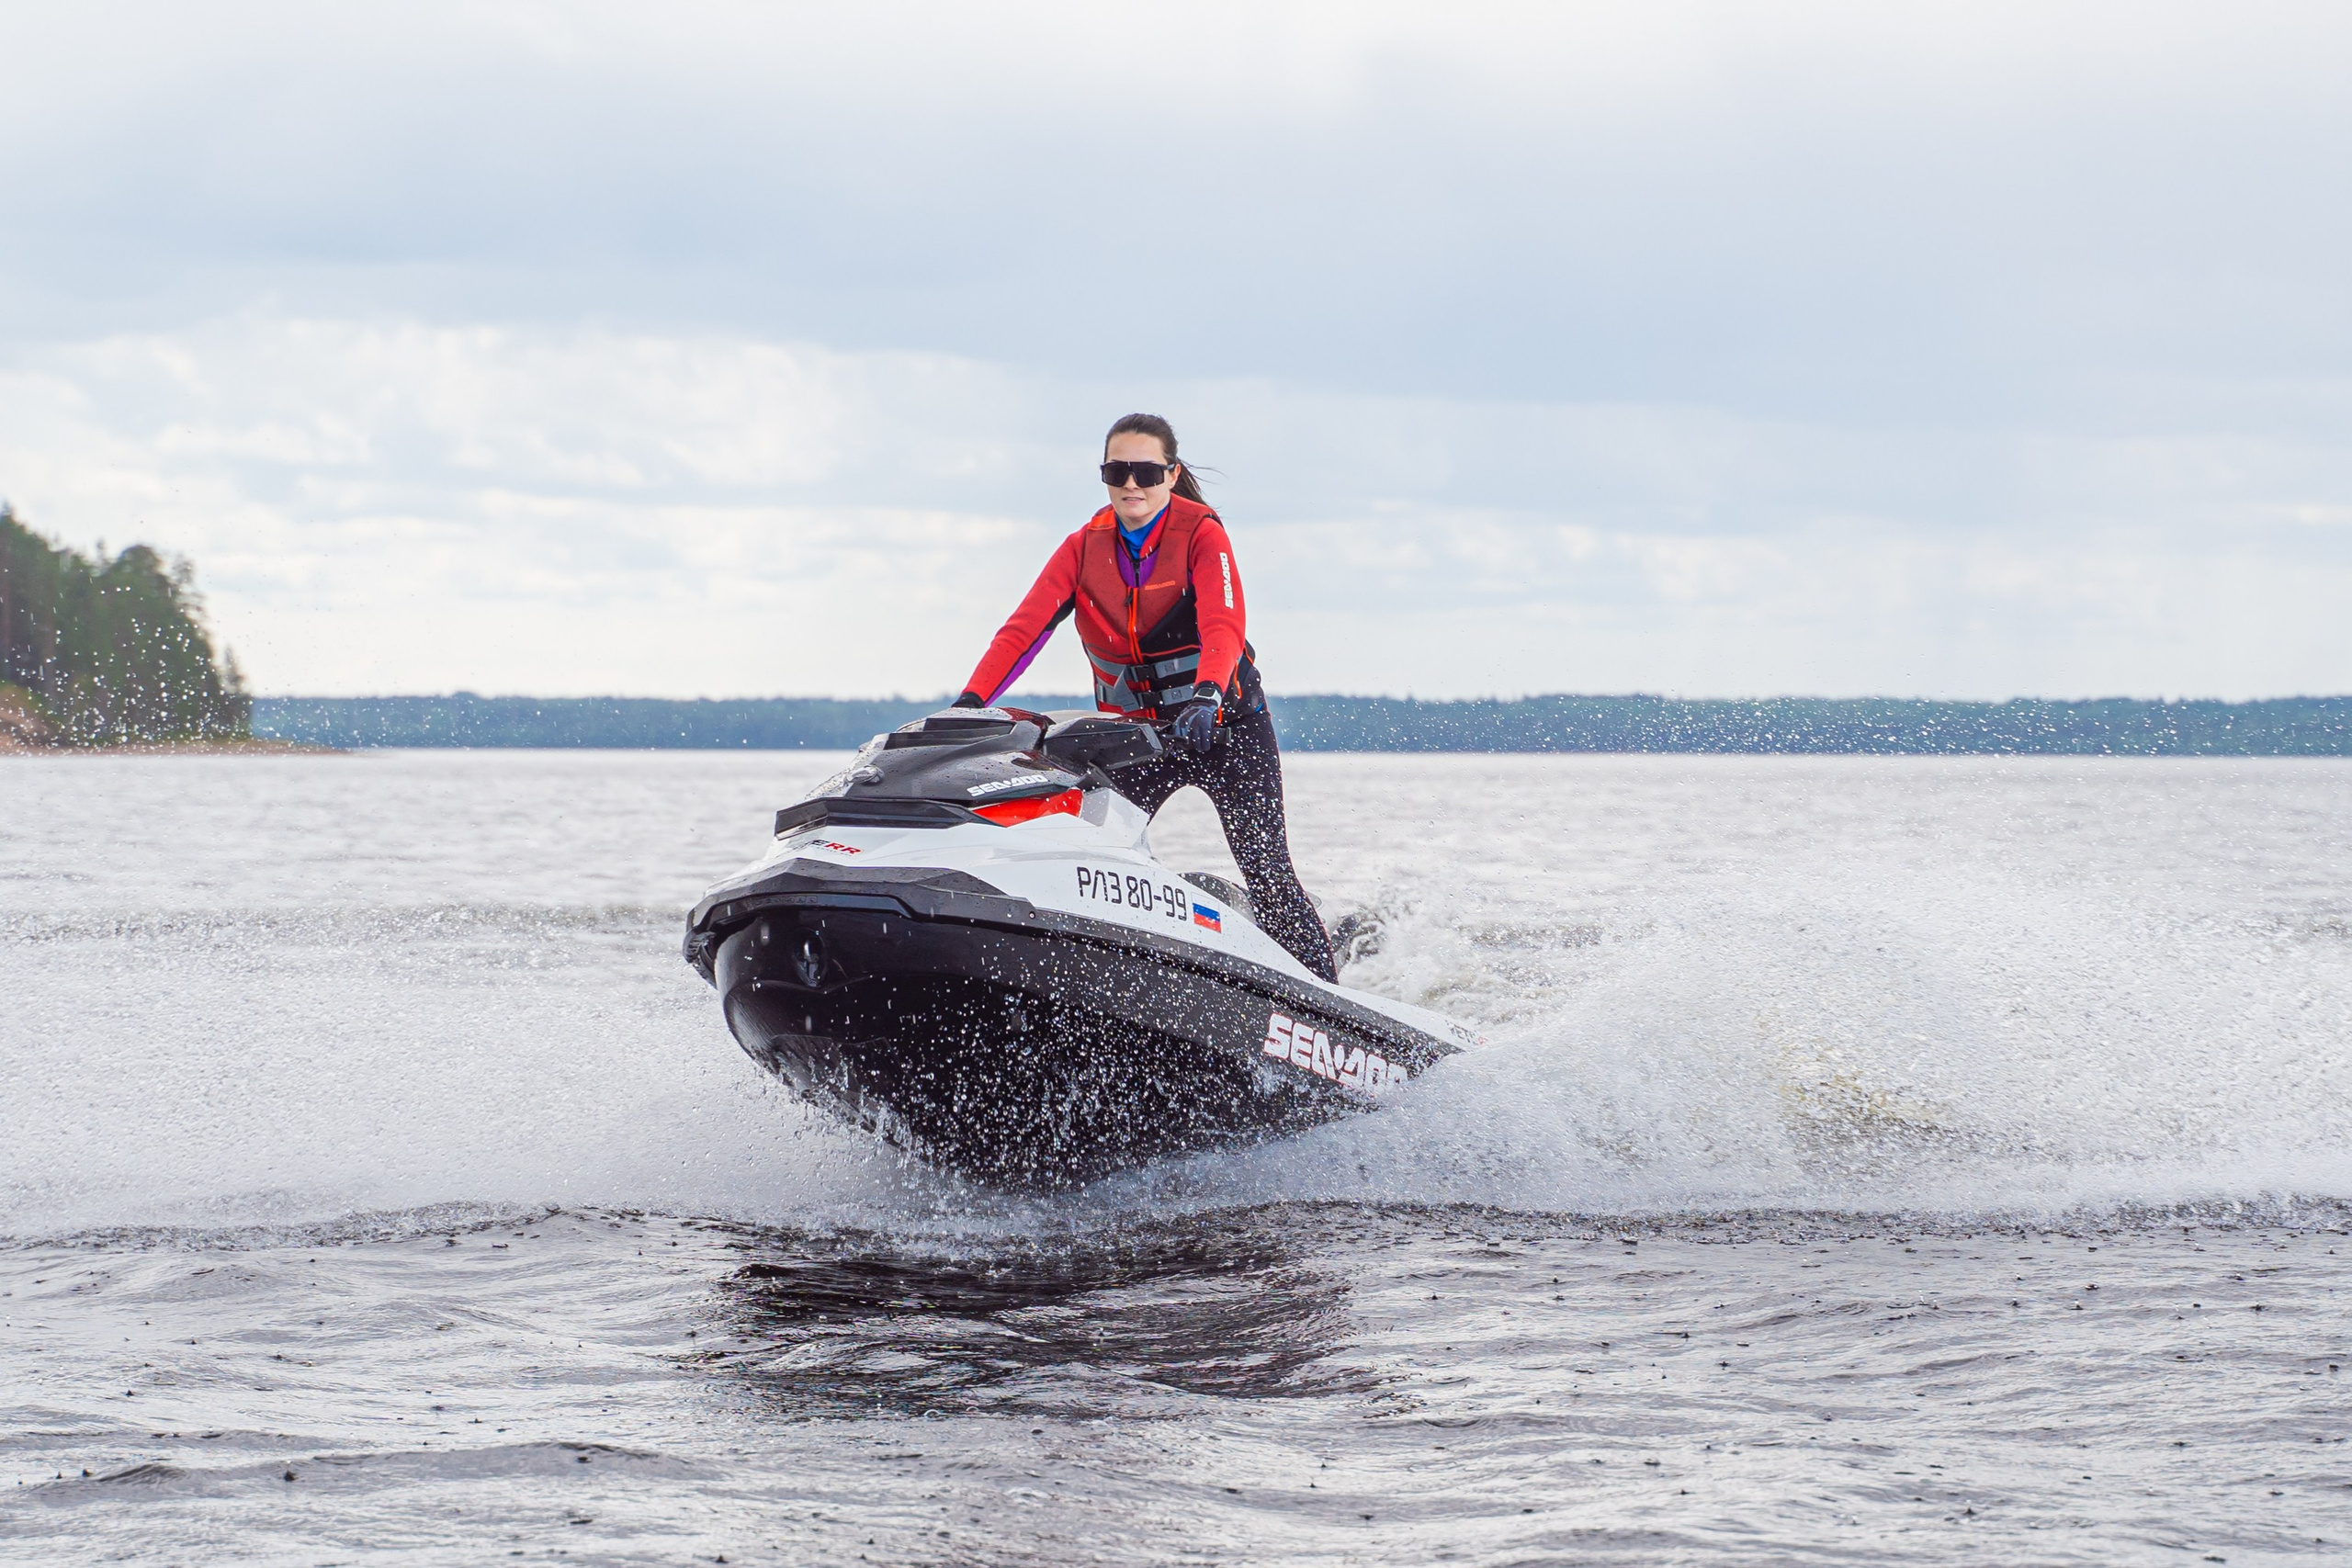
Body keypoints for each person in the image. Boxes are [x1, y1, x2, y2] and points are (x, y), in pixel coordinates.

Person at [952, 412, 1339, 981]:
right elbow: (1022, 632)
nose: (1131, 484)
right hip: (1139, 740)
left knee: (1268, 870)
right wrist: (969, 702)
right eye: (1116, 471)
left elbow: (1224, 626)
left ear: (1171, 474)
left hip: (1223, 726)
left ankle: (1330, 1004)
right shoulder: (1082, 549)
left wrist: (1206, 695)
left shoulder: (1202, 535)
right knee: (1095, 862)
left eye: (1146, 472)